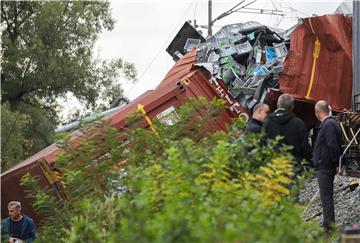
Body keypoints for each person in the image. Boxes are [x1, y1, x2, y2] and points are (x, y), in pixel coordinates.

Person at [313, 100, 343, 233]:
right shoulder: (329, 124)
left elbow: (332, 145)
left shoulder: (328, 124)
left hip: (325, 166)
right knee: (326, 196)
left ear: (317, 112)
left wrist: (336, 163)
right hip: (325, 165)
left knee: (326, 197)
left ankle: (329, 227)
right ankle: (328, 223)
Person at [263, 93, 312, 173]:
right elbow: (305, 147)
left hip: (273, 166)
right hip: (294, 166)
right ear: (292, 107)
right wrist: (309, 165)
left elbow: (262, 144)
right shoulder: (298, 123)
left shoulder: (267, 122)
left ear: (278, 104)